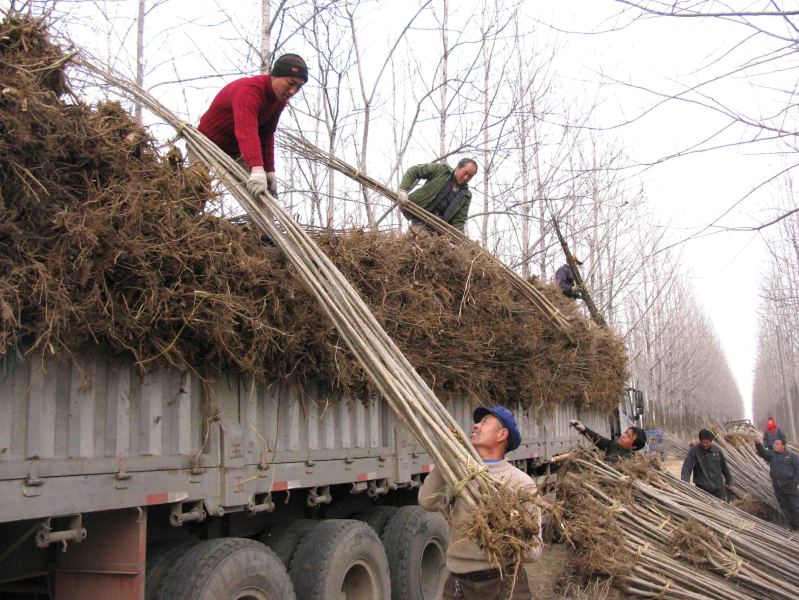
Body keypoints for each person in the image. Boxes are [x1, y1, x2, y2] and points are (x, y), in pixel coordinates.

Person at [419, 406, 540, 600]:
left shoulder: (520, 482)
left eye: (484, 422)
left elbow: (534, 550)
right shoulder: (459, 474)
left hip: (505, 582)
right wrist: (445, 460)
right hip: (459, 583)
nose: (475, 425)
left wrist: (510, 532)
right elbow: (427, 502)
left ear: (502, 434)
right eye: (477, 421)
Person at [198, 54, 308, 199]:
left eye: (299, 87)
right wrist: (257, 168)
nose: (293, 91)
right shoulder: (249, 91)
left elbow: (266, 134)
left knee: (260, 194)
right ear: (275, 75)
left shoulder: (279, 100)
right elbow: (246, 131)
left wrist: (269, 170)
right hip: (205, 142)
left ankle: (265, 222)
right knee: (197, 188)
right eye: (290, 83)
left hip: (235, 150)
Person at [397, 158, 478, 233]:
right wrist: (403, 190)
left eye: (470, 176)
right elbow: (414, 170)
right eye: (465, 173)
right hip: (420, 215)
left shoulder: (466, 195)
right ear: (458, 167)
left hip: (438, 228)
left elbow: (458, 221)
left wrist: (459, 239)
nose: (466, 178)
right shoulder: (442, 171)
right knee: (421, 236)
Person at [755, 437, 799, 529]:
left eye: (777, 444)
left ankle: (797, 524)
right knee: (784, 506)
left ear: (783, 445)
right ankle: (790, 525)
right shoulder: (772, 455)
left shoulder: (791, 456)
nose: (775, 445)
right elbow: (763, 453)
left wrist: (795, 481)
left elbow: (797, 469)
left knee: (795, 505)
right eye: (774, 443)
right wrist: (758, 445)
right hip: (777, 486)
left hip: (789, 485)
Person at [680, 429, 733, 500]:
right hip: (702, 487)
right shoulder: (694, 452)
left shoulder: (717, 450)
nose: (705, 445)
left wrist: (728, 479)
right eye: (703, 442)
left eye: (707, 443)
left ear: (711, 441)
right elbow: (687, 467)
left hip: (718, 486)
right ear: (700, 441)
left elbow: (723, 466)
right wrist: (685, 482)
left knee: (721, 507)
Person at [568, 420, 646, 464]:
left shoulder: (628, 458)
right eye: (626, 432)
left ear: (633, 446)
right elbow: (599, 439)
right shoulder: (614, 445)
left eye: (628, 436)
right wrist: (584, 429)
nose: (623, 435)